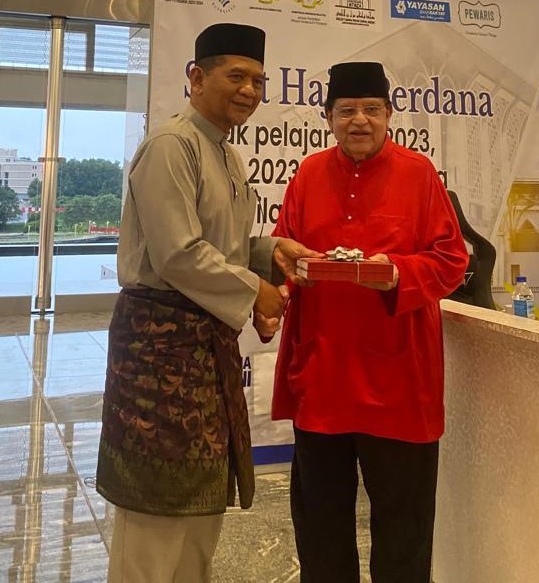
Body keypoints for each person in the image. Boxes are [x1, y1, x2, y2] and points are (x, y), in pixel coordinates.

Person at [96, 22, 321, 583]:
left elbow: (223, 246)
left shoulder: (226, 155)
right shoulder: (171, 146)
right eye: (236, 76)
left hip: (202, 351)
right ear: (196, 78)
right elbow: (177, 253)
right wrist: (256, 290)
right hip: (158, 352)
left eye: (258, 81)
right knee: (155, 509)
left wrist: (270, 251)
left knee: (198, 504)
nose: (249, 90)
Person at [271, 61, 470, 583]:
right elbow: (283, 254)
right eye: (346, 110)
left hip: (400, 383)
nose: (359, 120)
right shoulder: (308, 174)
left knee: (405, 534)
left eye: (371, 109)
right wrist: (279, 290)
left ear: (388, 115)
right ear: (328, 117)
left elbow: (452, 260)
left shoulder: (419, 173)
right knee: (321, 532)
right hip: (323, 378)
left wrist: (397, 272)